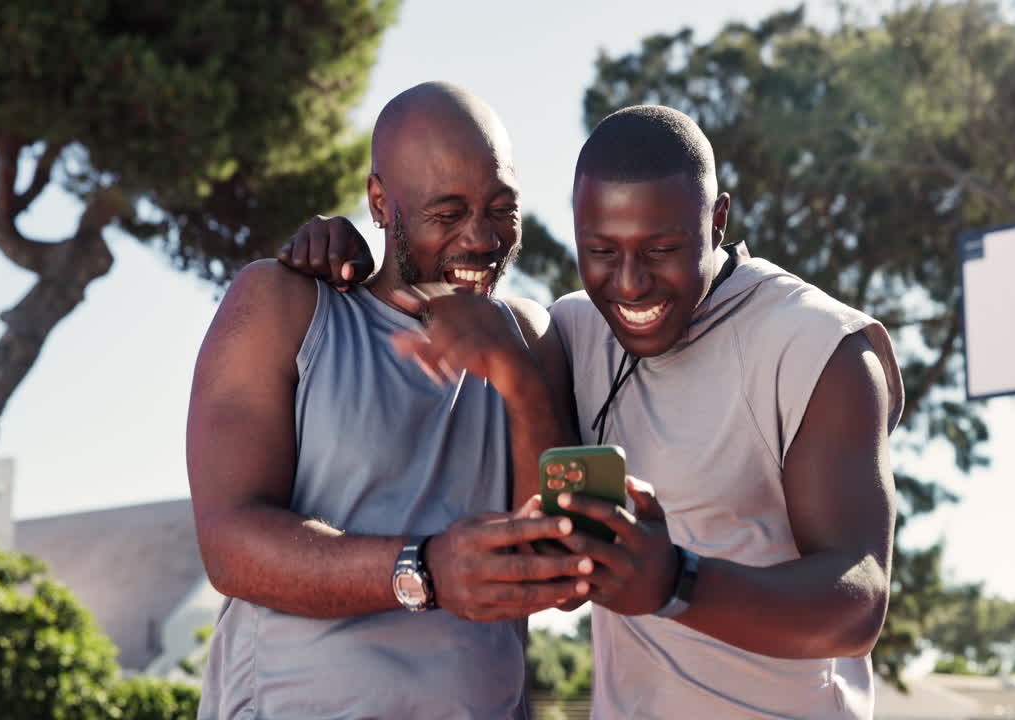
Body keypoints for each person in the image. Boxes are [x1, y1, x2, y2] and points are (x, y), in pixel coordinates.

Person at [284, 105, 904, 719]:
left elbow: (859, 603)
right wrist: (343, 247)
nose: (630, 285)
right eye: (601, 251)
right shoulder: (577, 330)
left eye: (661, 249)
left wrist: (677, 583)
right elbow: (544, 562)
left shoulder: (819, 347)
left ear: (717, 223)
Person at [187, 82, 590, 720]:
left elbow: (562, 578)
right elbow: (229, 544)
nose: (481, 239)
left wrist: (513, 370)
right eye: (447, 213)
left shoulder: (531, 337)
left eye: (500, 207)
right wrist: (423, 571)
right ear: (381, 202)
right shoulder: (285, 305)